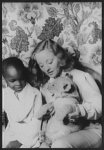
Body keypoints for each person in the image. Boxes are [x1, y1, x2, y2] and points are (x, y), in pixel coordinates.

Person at [29, 39, 102, 148]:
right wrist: (48, 113)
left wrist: (79, 110)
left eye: (49, 62)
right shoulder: (45, 86)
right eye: (41, 65)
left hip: (90, 130)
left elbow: (99, 107)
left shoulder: (80, 76)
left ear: (60, 58)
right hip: (62, 132)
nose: (47, 68)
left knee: (60, 145)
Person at [2, 57, 43, 148]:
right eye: (13, 81)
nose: (18, 84)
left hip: (30, 133)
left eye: (21, 79)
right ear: (5, 79)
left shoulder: (35, 93)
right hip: (12, 132)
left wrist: (20, 141)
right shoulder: (5, 93)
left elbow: (37, 120)